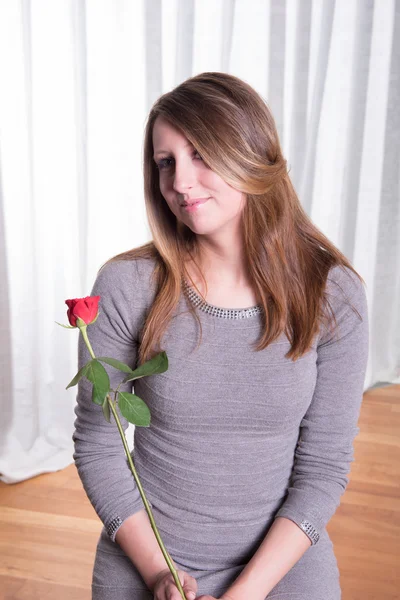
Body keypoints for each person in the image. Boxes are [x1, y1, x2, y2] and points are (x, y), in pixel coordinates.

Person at [73, 72, 369, 600]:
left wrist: (247, 592)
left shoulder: (334, 295)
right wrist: (158, 573)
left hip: (282, 564)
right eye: (166, 163)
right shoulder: (126, 285)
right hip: (149, 554)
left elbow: (324, 467)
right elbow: (99, 446)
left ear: (250, 156)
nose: (180, 183)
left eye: (201, 155)